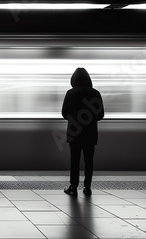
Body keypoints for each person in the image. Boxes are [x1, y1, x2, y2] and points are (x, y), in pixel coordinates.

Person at [61, 67, 104, 196]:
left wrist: (75, 119)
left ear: (73, 79)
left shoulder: (70, 93)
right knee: (89, 160)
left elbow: (64, 113)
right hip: (90, 134)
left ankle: (73, 187)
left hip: (75, 133)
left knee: (74, 160)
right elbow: (101, 114)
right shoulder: (95, 93)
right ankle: (88, 187)